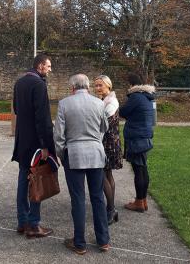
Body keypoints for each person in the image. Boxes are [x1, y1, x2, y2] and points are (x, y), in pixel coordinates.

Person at [54, 74, 110, 255]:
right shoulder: (99, 103)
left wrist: (62, 153)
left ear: (72, 87)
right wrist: (95, 143)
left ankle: (79, 243)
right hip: (95, 153)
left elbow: (59, 134)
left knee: (78, 199)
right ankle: (103, 240)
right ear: (87, 86)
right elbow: (104, 128)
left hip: (74, 153)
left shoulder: (64, 104)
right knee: (98, 197)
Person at [12, 53, 56, 238]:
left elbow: (16, 109)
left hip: (23, 141)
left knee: (23, 180)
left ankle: (22, 222)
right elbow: (43, 118)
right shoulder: (38, 84)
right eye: (48, 66)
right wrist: (46, 145)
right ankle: (34, 225)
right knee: (37, 180)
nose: (50, 69)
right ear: (39, 66)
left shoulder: (19, 83)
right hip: (36, 144)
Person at [119, 72, 155, 213]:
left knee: (138, 170)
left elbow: (123, 112)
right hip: (145, 136)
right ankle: (143, 200)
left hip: (136, 137)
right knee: (143, 169)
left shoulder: (136, 97)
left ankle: (139, 202)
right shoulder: (147, 97)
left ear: (131, 84)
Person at [94, 75, 123, 224]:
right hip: (109, 141)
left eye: (100, 85)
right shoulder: (104, 100)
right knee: (107, 174)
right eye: (96, 85)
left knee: (103, 175)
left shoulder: (111, 102)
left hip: (108, 143)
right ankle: (111, 209)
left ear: (108, 86)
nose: (97, 88)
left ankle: (111, 210)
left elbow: (103, 126)